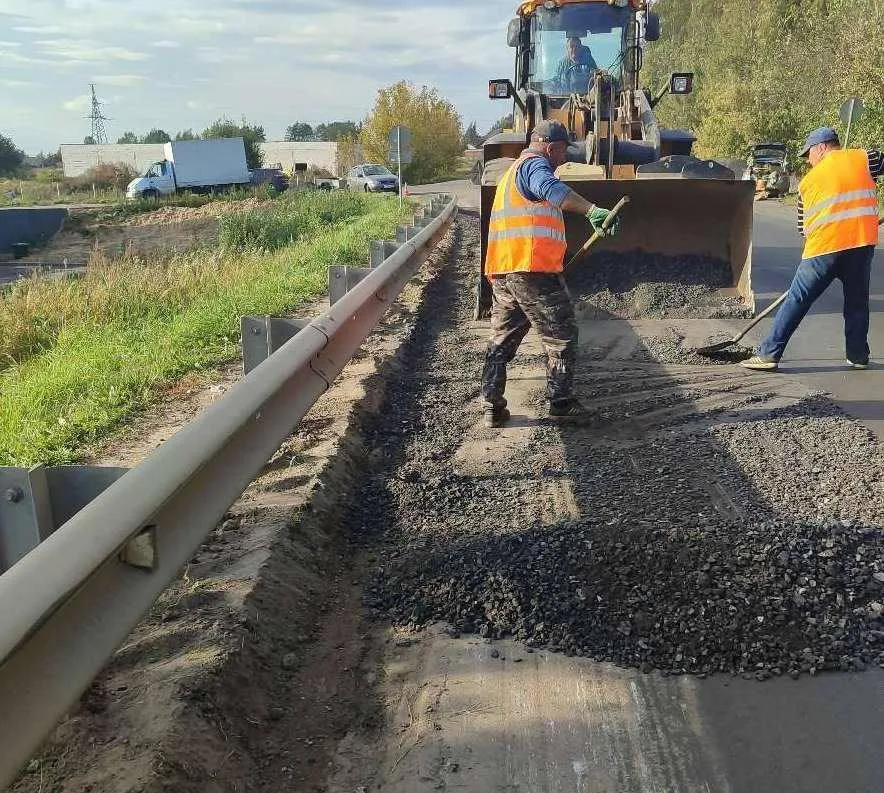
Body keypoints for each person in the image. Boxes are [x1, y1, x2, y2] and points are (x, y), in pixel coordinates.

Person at [481, 120, 621, 428]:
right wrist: (593, 211)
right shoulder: (534, 167)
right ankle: (561, 403)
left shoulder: (511, 173)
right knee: (561, 336)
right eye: (562, 153)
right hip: (531, 271)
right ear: (550, 147)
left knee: (501, 339)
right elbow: (553, 191)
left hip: (505, 269)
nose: (564, 159)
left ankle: (492, 404)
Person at [741, 127, 882, 371]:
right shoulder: (866, 158)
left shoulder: (807, 185)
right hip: (860, 245)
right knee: (857, 303)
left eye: (809, 155)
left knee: (797, 299)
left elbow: (803, 229)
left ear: (822, 147)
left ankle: (769, 354)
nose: (809, 161)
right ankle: (858, 355)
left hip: (823, 251)